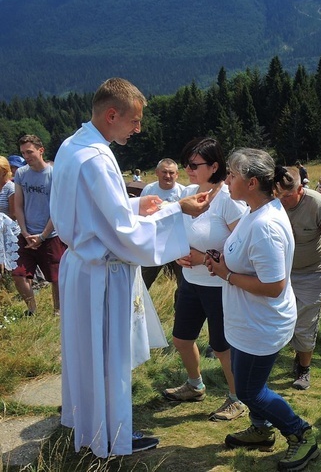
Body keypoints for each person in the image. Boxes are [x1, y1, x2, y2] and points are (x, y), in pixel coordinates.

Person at [50, 77, 211, 457]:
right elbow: (123, 234)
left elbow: (93, 212)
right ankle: (113, 435)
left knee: (87, 355)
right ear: (111, 114)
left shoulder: (74, 145)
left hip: (80, 265)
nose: (138, 129)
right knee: (109, 357)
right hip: (102, 273)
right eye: (134, 121)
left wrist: (139, 206)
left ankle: (89, 425)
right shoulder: (98, 158)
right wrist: (178, 209)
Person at [205, 149, 318, 471]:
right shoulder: (254, 211)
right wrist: (219, 263)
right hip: (247, 321)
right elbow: (249, 263)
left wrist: (226, 274)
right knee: (246, 383)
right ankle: (261, 429)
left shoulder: (265, 224)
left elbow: (274, 286)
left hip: (262, 324)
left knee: (248, 390)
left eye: (231, 174)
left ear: (252, 182)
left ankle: (301, 434)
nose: (226, 180)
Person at [161, 138, 248, 421]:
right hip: (190, 281)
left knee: (223, 346)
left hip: (219, 285)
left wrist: (204, 257)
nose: (187, 169)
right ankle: (195, 384)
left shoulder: (228, 201)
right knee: (181, 338)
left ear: (214, 166)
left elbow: (243, 246)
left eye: (194, 164)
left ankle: (238, 398)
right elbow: (175, 230)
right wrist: (178, 255)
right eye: (186, 163)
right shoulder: (187, 193)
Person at [276, 167, 321, 390]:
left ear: (301, 189)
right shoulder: (271, 202)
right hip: (282, 272)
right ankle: (299, 355)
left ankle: (304, 369)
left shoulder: (318, 205)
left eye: (287, 196)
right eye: (278, 194)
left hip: (312, 271)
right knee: (285, 320)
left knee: (306, 322)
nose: (283, 200)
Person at [13, 134, 65, 316]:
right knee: (18, 273)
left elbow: (57, 209)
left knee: (56, 277)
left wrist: (43, 236)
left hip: (50, 235)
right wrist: (25, 232)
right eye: (23, 153)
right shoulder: (20, 173)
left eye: (29, 152)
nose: (26, 156)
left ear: (40, 150)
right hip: (27, 234)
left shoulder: (54, 174)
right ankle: (32, 309)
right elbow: (18, 205)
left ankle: (58, 310)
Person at [139, 158, 185, 291]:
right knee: (143, 281)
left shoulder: (184, 192)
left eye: (171, 173)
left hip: (177, 244)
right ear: (157, 172)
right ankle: (138, 309)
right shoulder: (149, 189)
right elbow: (140, 214)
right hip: (154, 243)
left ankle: (179, 311)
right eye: (164, 172)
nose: (168, 176)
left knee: (182, 284)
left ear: (177, 174)